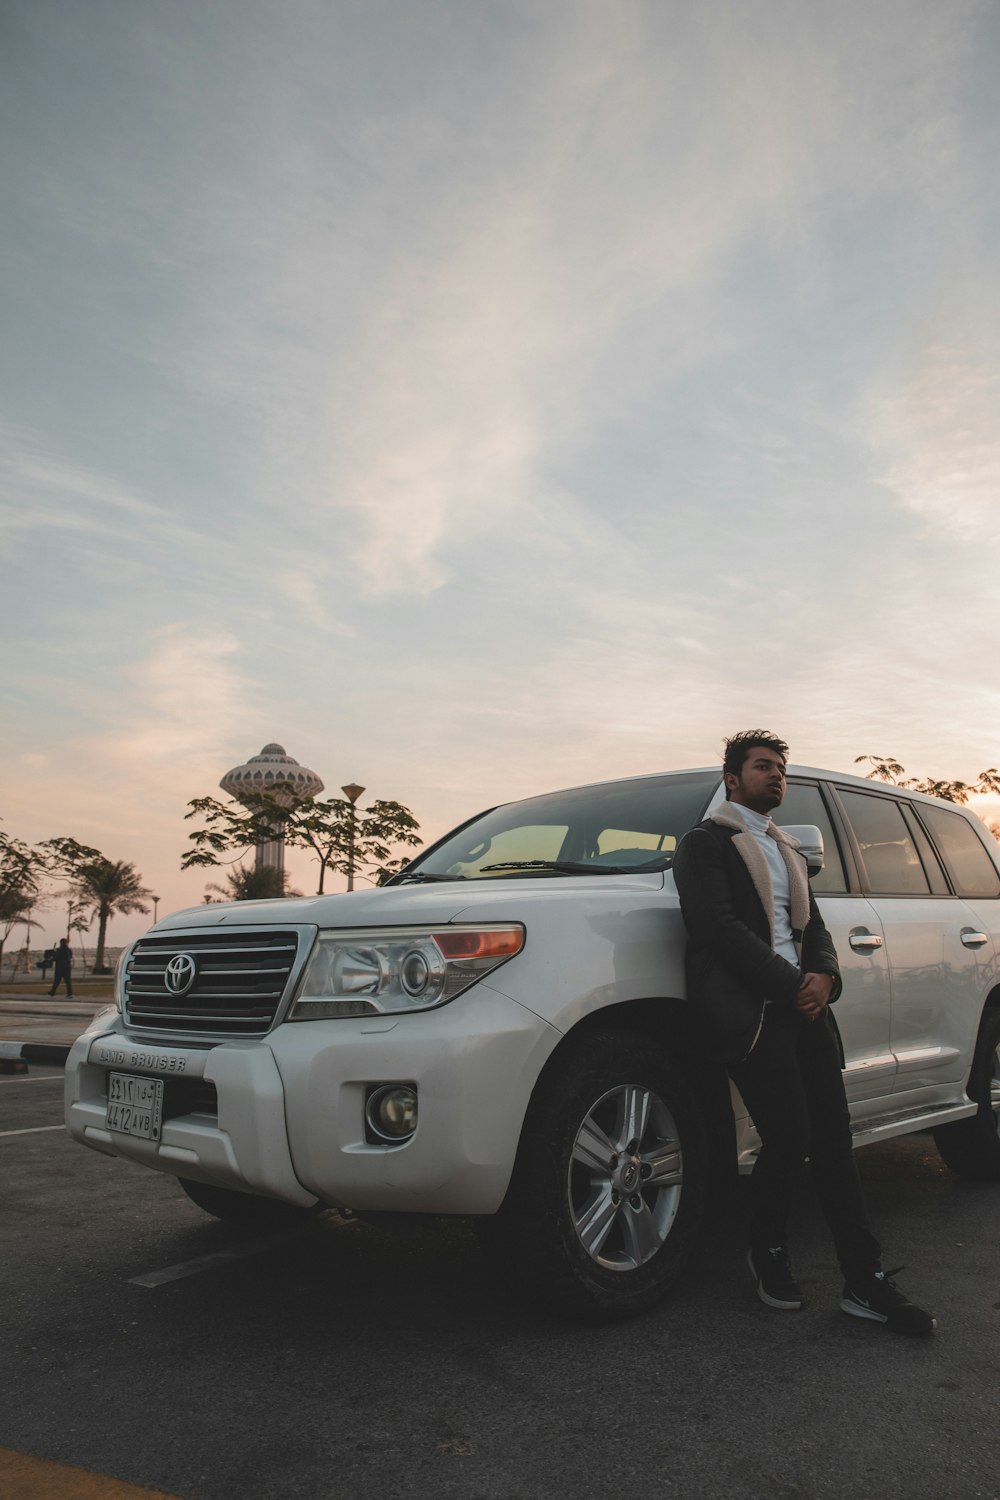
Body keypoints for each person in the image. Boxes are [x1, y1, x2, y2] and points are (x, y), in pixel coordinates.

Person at [672, 730, 935, 1337]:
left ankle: (864, 1280)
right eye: (763, 767)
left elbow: (811, 924)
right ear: (732, 779)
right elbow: (715, 927)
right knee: (788, 1140)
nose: (777, 777)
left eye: (781, 769)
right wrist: (789, 983)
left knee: (835, 1142)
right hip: (755, 1011)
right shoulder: (706, 844)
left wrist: (824, 976)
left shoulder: (785, 846)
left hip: (807, 1009)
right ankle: (766, 1251)